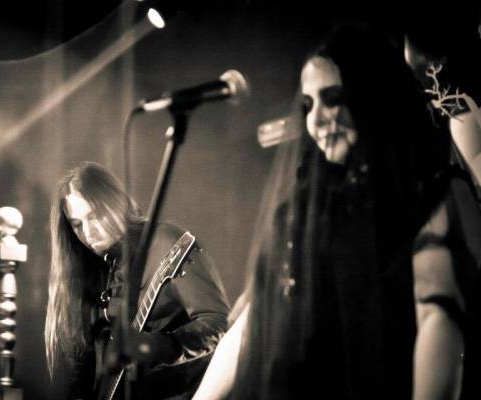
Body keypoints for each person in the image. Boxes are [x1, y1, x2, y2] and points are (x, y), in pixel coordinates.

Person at [193, 25, 481, 400]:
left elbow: (437, 320)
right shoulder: (305, 210)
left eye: (332, 98)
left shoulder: (429, 193)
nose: (317, 120)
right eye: (308, 105)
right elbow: (252, 322)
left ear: (372, 97)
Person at [44, 161, 230, 400]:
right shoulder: (96, 269)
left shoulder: (165, 242)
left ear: (116, 204)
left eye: (95, 216)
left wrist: (155, 345)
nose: (88, 232)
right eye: (77, 224)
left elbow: (218, 322)